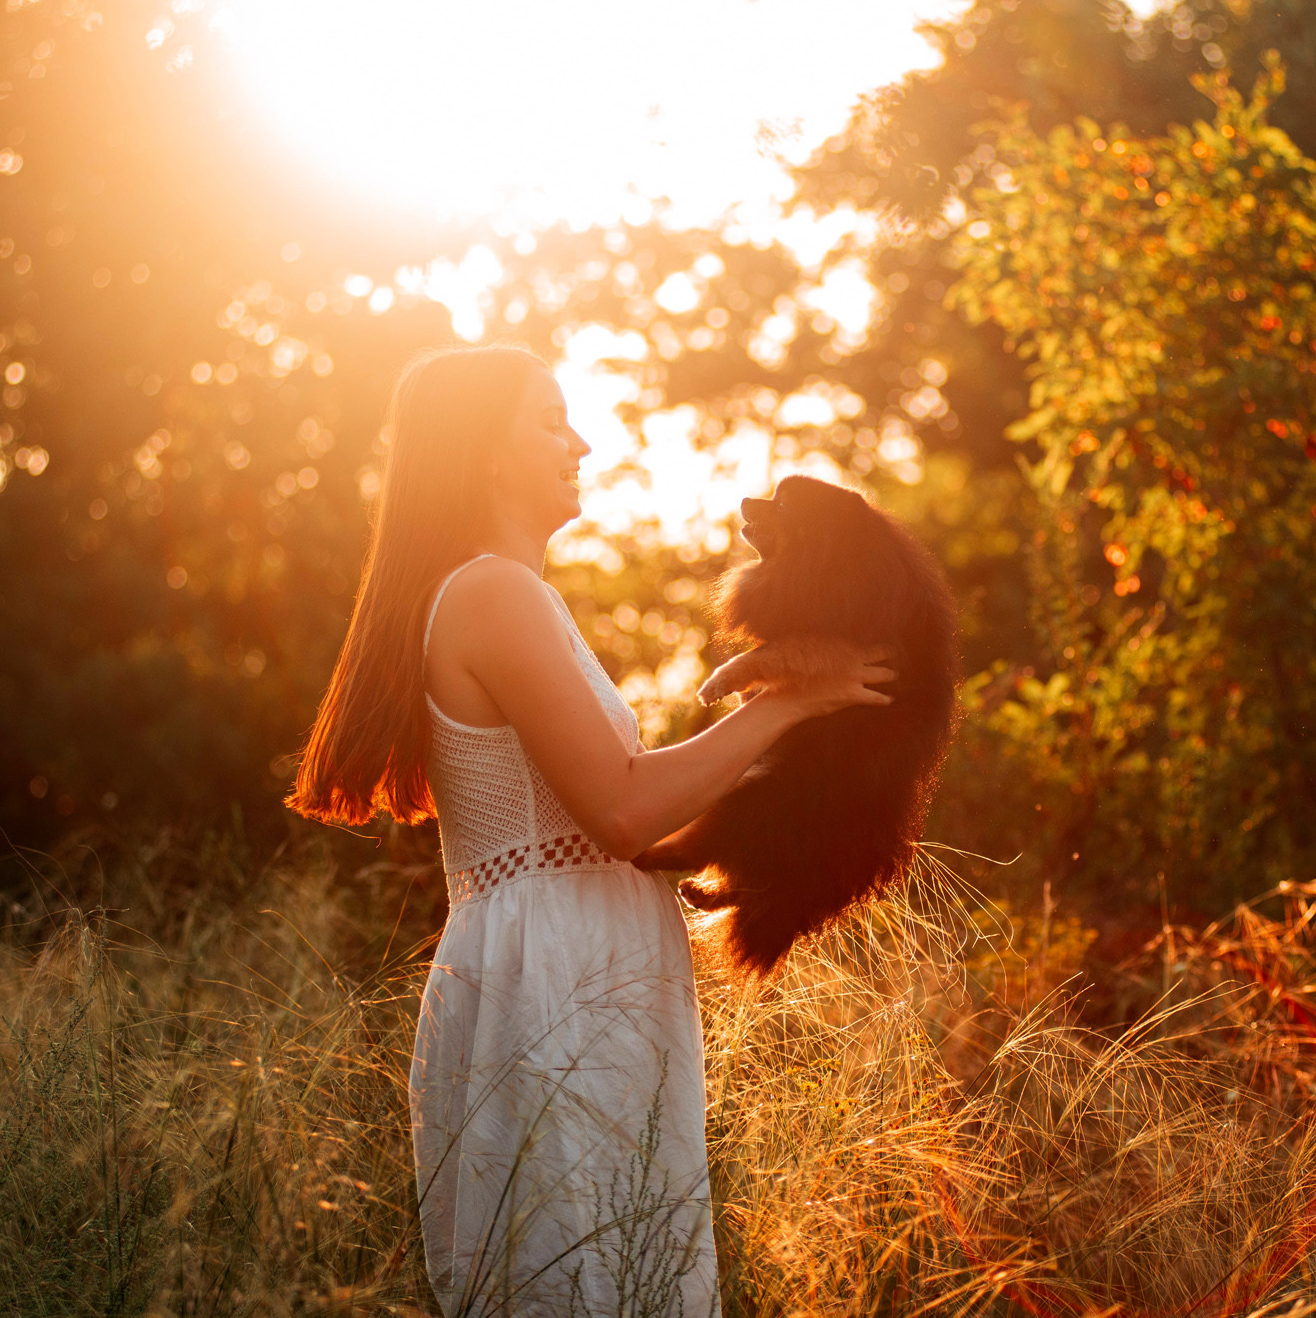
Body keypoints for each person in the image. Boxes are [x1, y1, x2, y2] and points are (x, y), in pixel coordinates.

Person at [287, 346, 893, 1316]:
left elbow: (638, 811)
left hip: (572, 954)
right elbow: (620, 810)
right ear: (487, 453)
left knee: (616, 1265)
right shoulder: (492, 592)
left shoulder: (509, 594)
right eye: (550, 420)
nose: (581, 442)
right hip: (557, 969)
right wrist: (783, 706)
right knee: (585, 1274)